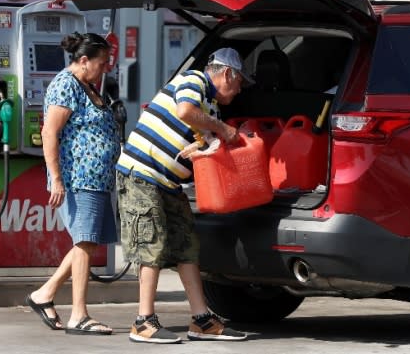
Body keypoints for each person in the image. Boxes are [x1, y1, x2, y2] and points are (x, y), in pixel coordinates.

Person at [116, 47, 252, 343]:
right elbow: (185, 112)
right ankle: (143, 321)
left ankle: (202, 319)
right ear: (227, 73)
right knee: (152, 245)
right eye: (239, 81)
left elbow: (203, 142)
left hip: (169, 183)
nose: (240, 89)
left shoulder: (213, 107)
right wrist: (222, 129)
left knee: (187, 245)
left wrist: (205, 144)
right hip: (142, 175)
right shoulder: (194, 81)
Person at [25, 32, 121, 335]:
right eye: (102, 62)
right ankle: (79, 314)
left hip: (96, 179)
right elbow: (50, 133)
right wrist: (56, 179)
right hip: (79, 177)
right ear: (83, 61)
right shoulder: (66, 85)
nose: (106, 68)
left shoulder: (87, 85)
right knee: (84, 242)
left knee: (87, 242)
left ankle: (44, 294)